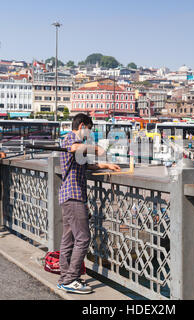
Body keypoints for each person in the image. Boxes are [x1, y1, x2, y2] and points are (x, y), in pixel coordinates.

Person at [57, 113, 120, 294]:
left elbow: (86, 165)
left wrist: (105, 165)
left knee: (68, 239)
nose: (89, 134)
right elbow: (73, 148)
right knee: (83, 239)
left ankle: (65, 277)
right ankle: (70, 279)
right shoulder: (70, 138)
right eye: (89, 130)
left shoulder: (77, 145)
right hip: (73, 196)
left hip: (71, 197)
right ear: (82, 125)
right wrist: (95, 148)